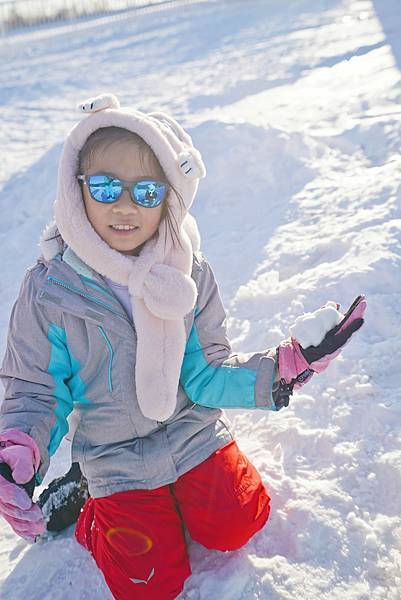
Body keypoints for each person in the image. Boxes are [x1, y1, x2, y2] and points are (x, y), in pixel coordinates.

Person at [0, 93, 366, 600]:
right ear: (75, 189)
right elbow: (36, 390)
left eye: (146, 192)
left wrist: (286, 367)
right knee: (150, 586)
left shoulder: (187, 273)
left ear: (169, 197)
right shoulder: (52, 292)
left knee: (240, 523)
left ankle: (178, 497)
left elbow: (206, 372)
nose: (124, 205)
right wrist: (20, 446)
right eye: (106, 187)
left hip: (191, 430)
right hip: (115, 453)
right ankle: (88, 511)